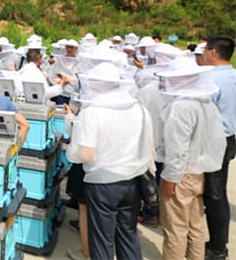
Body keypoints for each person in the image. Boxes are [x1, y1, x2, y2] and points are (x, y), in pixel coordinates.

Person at [66, 62, 153, 260]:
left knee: (102, 241)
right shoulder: (139, 109)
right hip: (133, 181)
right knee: (128, 236)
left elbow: (85, 154)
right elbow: (150, 149)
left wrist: (71, 145)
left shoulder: (92, 113)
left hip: (103, 184)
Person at [155, 57, 226, 260]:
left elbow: (177, 148)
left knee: (175, 230)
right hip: (198, 174)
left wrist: (170, 177)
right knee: (195, 227)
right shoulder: (206, 103)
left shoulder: (180, 107)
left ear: (180, 79)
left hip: (180, 176)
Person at [202, 35, 236, 260]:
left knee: (214, 196)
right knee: (219, 193)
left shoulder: (211, 79)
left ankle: (217, 249)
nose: (203, 53)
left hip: (216, 141)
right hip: (229, 137)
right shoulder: (233, 75)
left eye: (205, 49)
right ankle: (218, 242)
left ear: (213, 53)